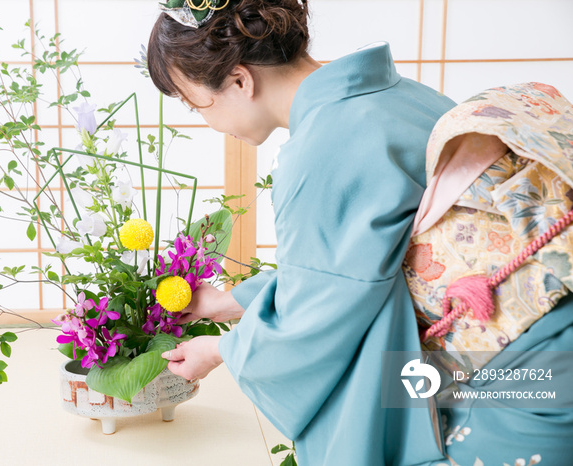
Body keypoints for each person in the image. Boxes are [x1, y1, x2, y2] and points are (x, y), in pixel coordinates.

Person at [148, 1, 456, 464]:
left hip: (477, 385)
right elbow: (349, 271)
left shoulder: (319, 152)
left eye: (197, 105)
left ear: (238, 80)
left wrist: (221, 350)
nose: (208, 122)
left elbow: (315, 320)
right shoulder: (406, 95)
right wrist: (229, 302)